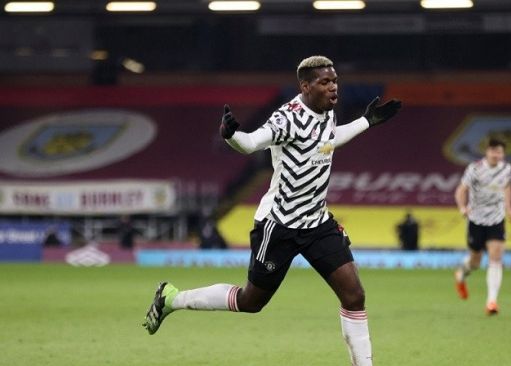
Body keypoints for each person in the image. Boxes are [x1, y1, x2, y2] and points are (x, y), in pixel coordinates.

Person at [142, 55, 401, 366]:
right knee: (251, 301)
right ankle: (172, 298)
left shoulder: (327, 112)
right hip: (279, 225)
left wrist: (365, 121)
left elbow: (328, 140)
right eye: (325, 82)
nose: (334, 88)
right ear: (305, 87)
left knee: (354, 295)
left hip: (318, 223)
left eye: (335, 81)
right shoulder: (287, 119)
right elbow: (251, 143)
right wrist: (231, 135)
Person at [453, 138, 511, 315]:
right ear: (487, 151)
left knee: (496, 257)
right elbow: (461, 190)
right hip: (476, 219)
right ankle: (461, 274)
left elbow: (507, 188)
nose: (497, 155)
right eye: (494, 151)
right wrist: (462, 208)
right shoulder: (475, 169)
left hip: (497, 218)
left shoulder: (507, 169)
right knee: (475, 261)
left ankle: (492, 302)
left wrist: (509, 209)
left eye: (500, 152)